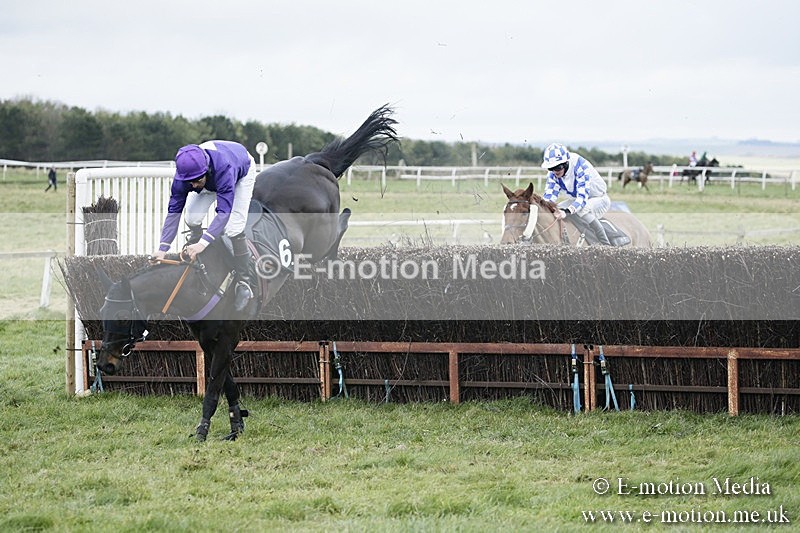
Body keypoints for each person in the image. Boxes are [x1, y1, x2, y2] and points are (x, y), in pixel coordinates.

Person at [153, 141, 257, 311]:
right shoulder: (184, 178)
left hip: (240, 170)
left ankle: (245, 282)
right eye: (189, 182)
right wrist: (162, 248)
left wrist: (203, 243)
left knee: (233, 227)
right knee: (192, 218)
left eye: (196, 181)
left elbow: (224, 212)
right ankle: (199, 257)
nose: (193, 186)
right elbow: (174, 213)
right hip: (209, 174)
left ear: (206, 170)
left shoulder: (225, 169)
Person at [540, 143, 612, 245]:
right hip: (577, 199)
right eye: (551, 168)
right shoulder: (553, 174)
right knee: (557, 209)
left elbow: (582, 198)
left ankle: (605, 245)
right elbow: (549, 197)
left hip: (599, 198)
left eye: (558, 167)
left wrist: (567, 212)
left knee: (582, 210)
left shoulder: (580, 166)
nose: (555, 172)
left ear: (566, 163)